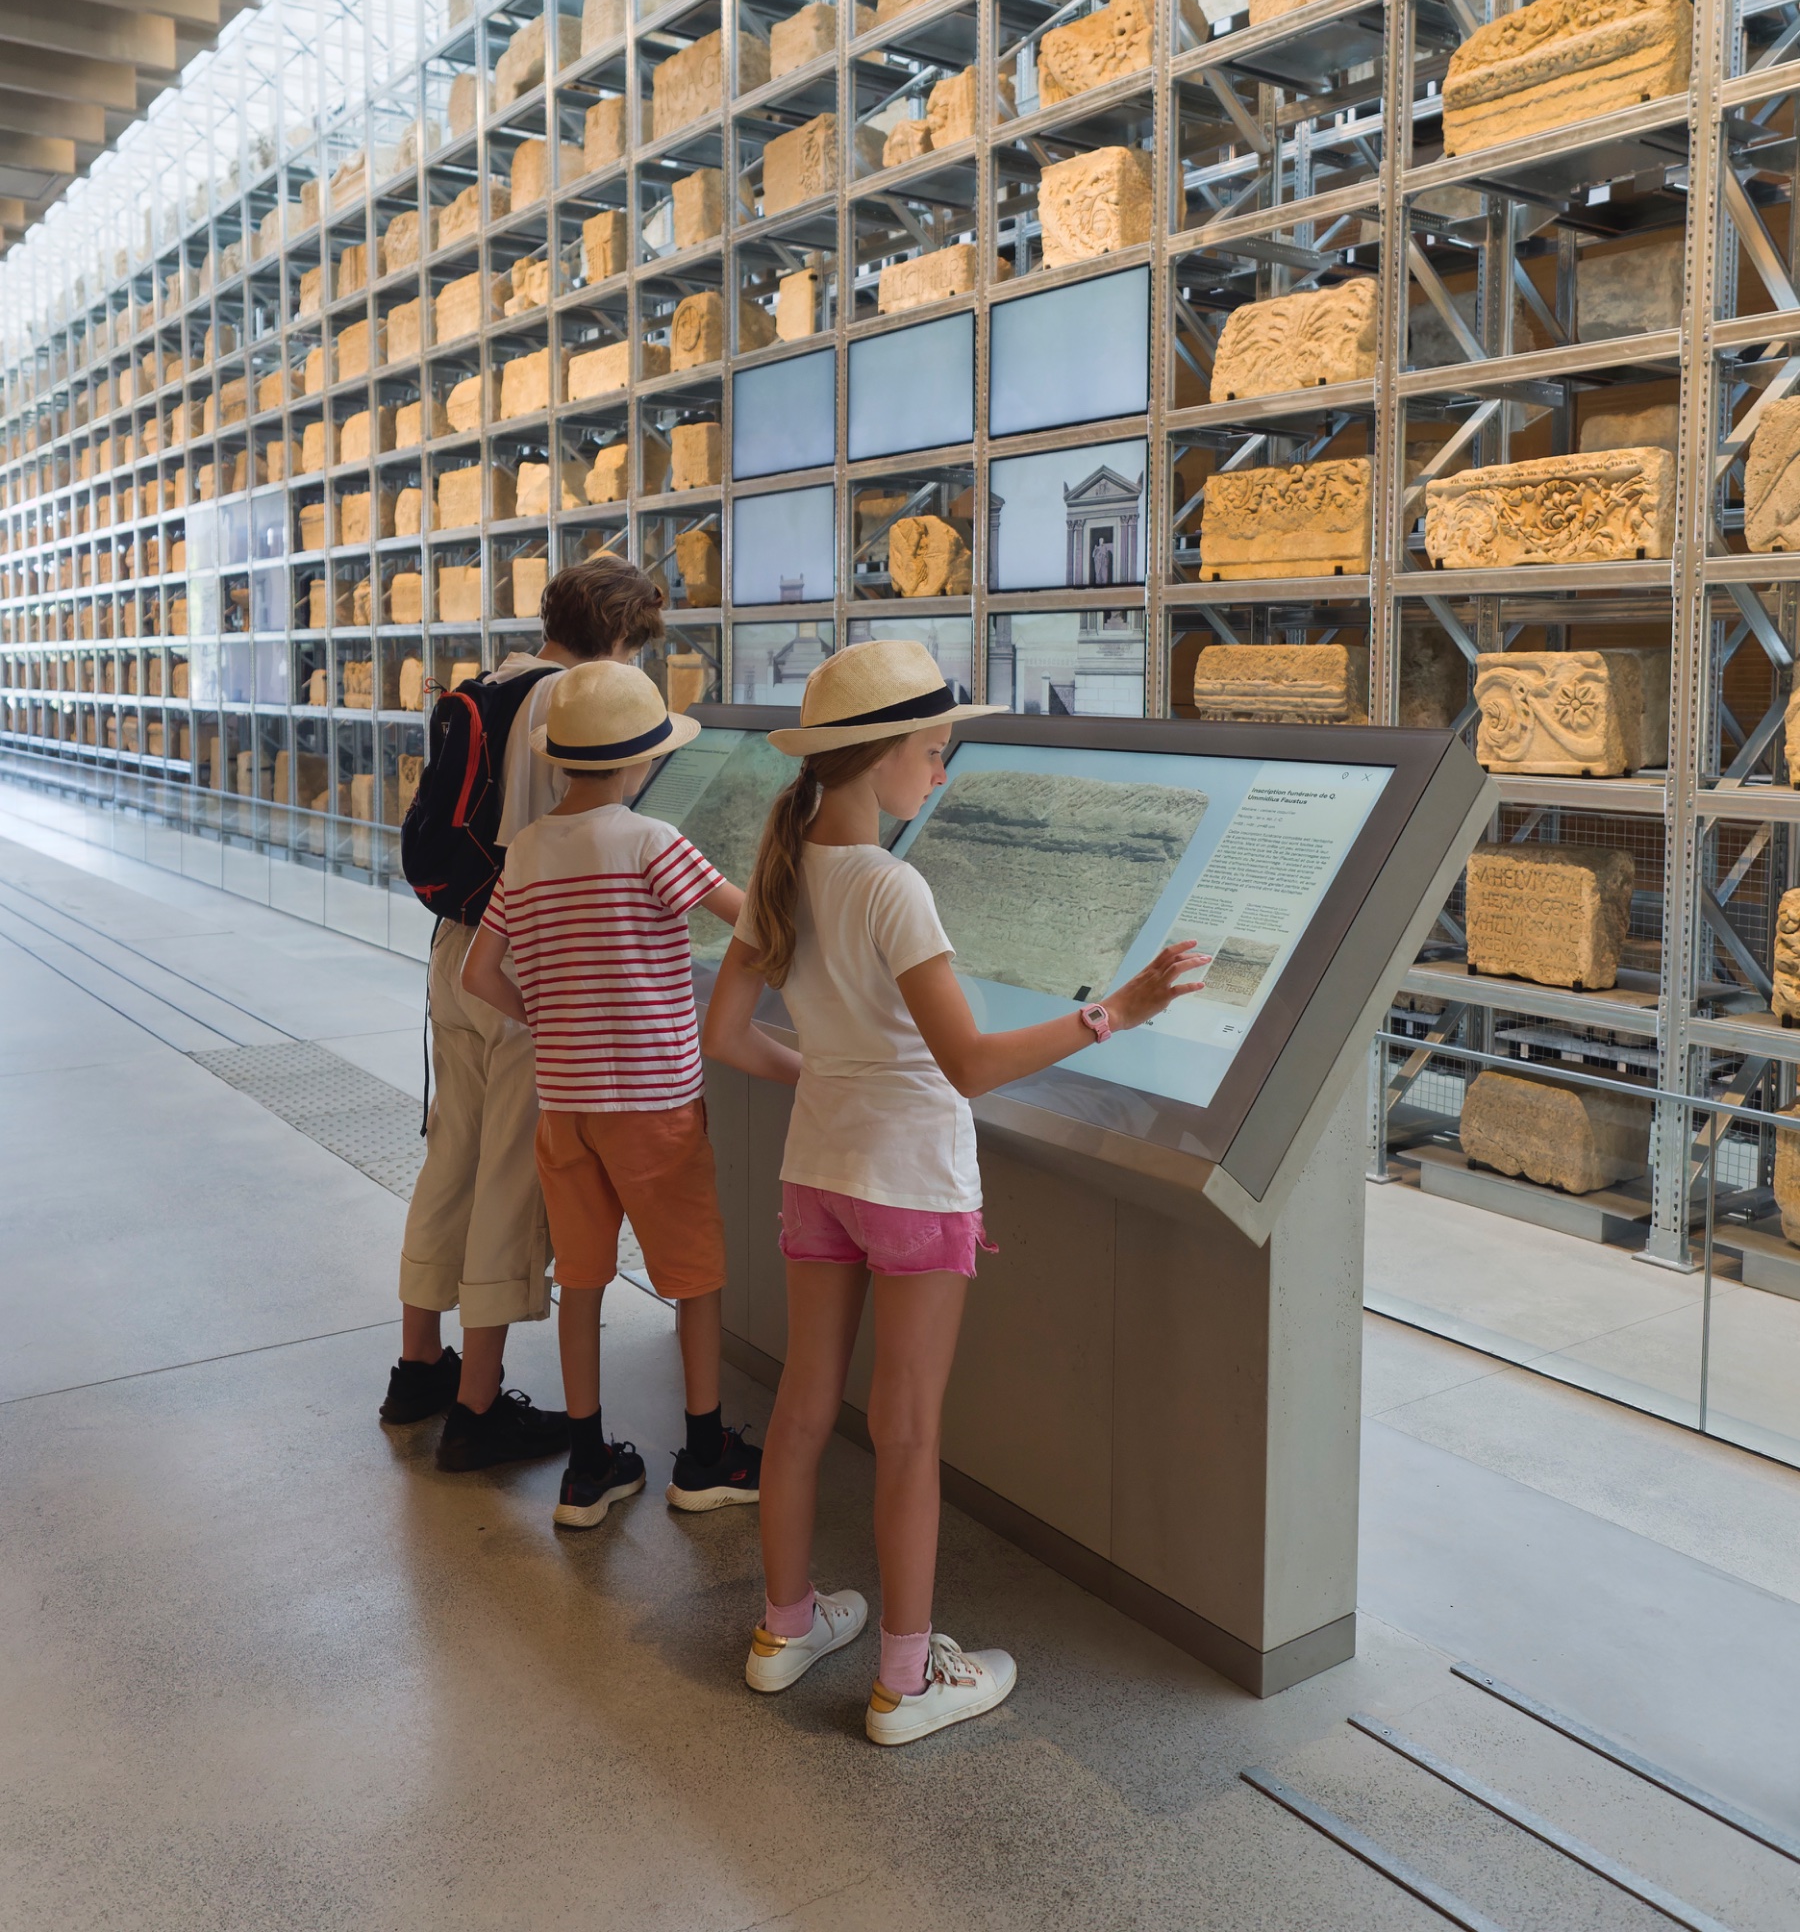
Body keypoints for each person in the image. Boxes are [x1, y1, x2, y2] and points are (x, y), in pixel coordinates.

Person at [703, 641, 1201, 1748]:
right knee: (909, 1431)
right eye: (933, 751)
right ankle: (904, 1681)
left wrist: (827, 1074)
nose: (941, 772)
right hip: (914, 1183)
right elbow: (968, 1064)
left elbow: (727, 1035)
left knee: (801, 1410)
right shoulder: (893, 885)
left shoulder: (784, 869)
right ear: (880, 754)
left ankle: (784, 1630)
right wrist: (1113, 1013)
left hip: (818, 1172)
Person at [379, 557, 666, 1473]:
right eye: (634, 648)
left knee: (451, 1156)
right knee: (510, 1175)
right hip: (522, 970)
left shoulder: (492, 685)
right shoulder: (571, 702)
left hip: (458, 951)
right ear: (616, 635)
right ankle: (477, 1410)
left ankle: (419, 1366)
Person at [461, 659, 761, 1528]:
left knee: (584, 1278)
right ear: (641, 761)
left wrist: (551, 1021)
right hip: (656, 1103)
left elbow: (481, 972)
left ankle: (587, 1468)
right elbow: (752, 919)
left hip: (568, 1107)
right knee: (694, 1277)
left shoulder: (527, 850)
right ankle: (704, 1454)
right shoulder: (652, 841)